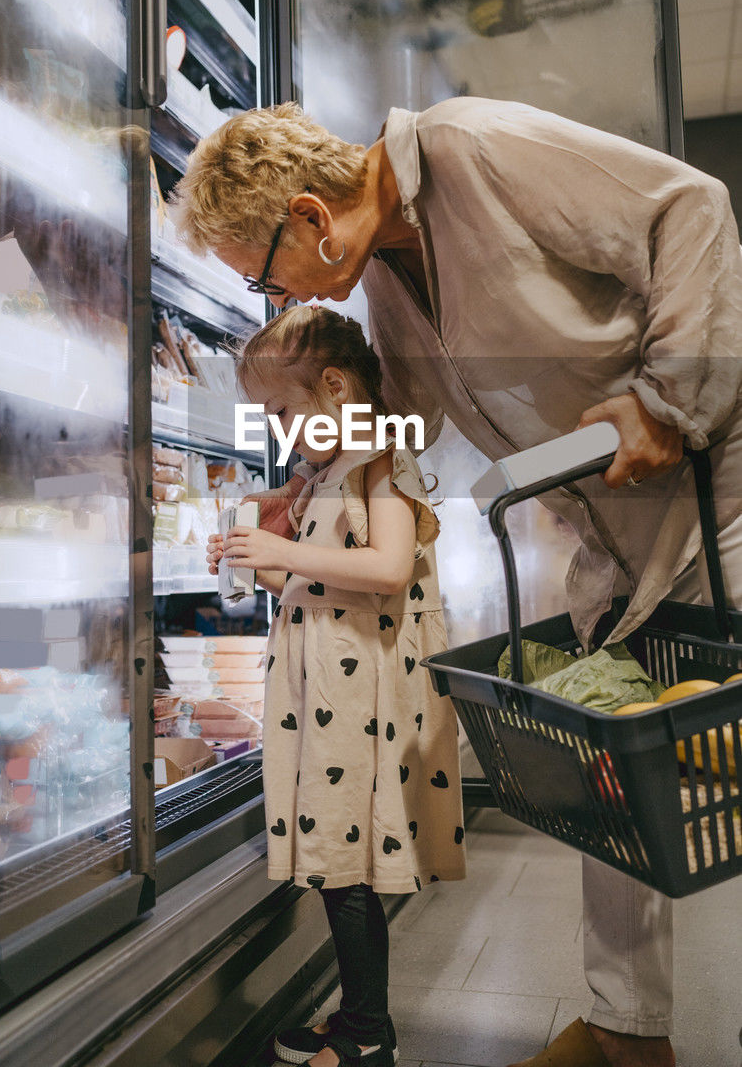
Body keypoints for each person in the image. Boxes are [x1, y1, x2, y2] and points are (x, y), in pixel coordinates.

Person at [178, 96, 742, 1067]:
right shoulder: (391, 280)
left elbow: (686, 208)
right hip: (612, 536)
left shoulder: (475, 146)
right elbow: (409, 408)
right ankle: (624, 1032)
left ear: (311, 217)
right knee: (611, 791)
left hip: (718, 490)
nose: (276, 298)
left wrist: (668, 398)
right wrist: (302, 482)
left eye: (265, 275)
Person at [206, 304, 466, 1067]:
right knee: (334, 858)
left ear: (333, 386)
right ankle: (358, 1014)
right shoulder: (327, 472)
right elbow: (323, 581)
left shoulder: (380, 459)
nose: (280, 429)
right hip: (331, 694)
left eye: (283, 410)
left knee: (344, 864)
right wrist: (264, 556)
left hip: (361, 700)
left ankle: (366, 1036)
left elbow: (386, 569)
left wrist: (279, 547)